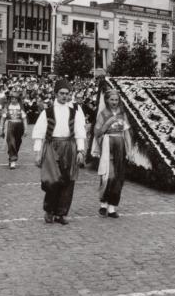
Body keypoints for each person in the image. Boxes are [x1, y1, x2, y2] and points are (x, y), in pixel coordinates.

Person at [32, 79, 87, 225]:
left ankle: (61, 213)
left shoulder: (73, 112)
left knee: (68, 180)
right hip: (51, 146)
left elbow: (79, 132)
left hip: (69, 146)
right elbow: (39, 133)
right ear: (56, 94)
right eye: (62, 93)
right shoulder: (47, 112)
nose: (64, 96)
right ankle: (49, 210)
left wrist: (81, 150)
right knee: (52, 180)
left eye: (67, 94)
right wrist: (38, 152)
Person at [93, 90, 133, 218]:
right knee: (108, 174)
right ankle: (103, 203)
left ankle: (112, 206)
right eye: (112, 100)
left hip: (119, 146)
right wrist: (107, 124)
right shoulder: (103, 114)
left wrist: (130, 149)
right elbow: (97, 133)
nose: (114, 102)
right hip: (107, 144)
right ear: (107, 100)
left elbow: (126, 132)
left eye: (116, 100)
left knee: (119, 175)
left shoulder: (122, 114)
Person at [0, 90, 28, 169]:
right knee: (11, 142)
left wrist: (26, 129)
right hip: (9, 125)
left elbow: (24, 119)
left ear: (18, 99)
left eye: (15, 98)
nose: (14, 100)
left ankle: (11, 156)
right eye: (12, 98)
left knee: (17, 142)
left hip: (19, 126)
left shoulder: (21, 107)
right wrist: (1, 128)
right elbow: (3, 118)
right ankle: (13, 160)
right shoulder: (7, 107)